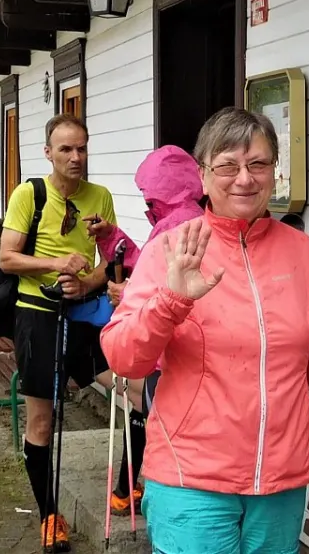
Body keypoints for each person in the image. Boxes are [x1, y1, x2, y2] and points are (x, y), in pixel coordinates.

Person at [100, 107, 309, 552]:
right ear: (202, 175)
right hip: (191, 478)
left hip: (280, 484)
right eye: (227, 166)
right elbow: (122, 357)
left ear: (274, 172)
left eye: (258, 164)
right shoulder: (172, 250)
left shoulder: (302, 253)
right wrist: (171, 301)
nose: (244, 179)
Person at [0, 113, 137, 552]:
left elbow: (108, 261)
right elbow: (7, 259)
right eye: (66, 149)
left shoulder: (100, 196)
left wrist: (88, 283)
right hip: (38, 317)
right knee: (42, 420)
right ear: (48, 153)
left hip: (85, 316)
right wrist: (56, 265)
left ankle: (126, 489)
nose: (76, 157)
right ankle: (49, 516)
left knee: (136, 389)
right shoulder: (29, 194)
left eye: (81, 148)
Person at [83, 144, 206, 515]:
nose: (144, 199)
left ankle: (152, 498)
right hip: (173, 350)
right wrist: (111, 237)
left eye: (147, 192)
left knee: (159, 423)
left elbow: (166, 289)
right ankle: (131, 490)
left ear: (162, 190)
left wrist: (126, 295)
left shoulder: (175, 226)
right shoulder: (189, 217)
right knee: (145, 411)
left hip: (172, 352)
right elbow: (144, 263)